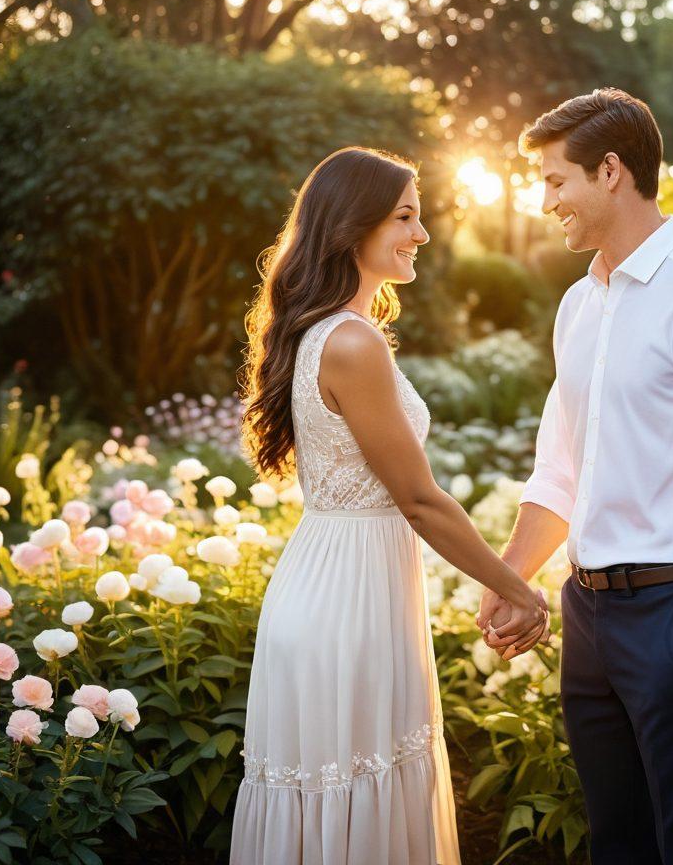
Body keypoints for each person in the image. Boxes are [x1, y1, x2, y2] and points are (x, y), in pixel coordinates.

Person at [476, 90, 673, 864]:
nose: (545, 200)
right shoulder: (580, 305)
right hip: (587, 616)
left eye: (556, 181)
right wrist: (512, 580)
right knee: (617, 844)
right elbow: (560, 468)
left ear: (611, 171)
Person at [231, 147, 549, 865]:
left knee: (342, 797)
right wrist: (516, 588)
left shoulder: (330, 332)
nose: (423, 234)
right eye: (406, 215)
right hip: (347, 603)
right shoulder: (350, 341)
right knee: (354, 792)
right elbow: (418, 499)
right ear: (353, 227)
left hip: (343, 583)